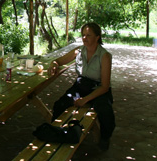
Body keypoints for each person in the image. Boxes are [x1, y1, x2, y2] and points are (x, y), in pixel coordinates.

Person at [48, 22, 115, 151]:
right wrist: (54, 64)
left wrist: (85, 100)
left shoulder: (104, 56)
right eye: (83, 35)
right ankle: (57, 133)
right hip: (81, 86)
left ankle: (105, 138)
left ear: (97, 37)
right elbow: (58, 60)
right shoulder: (78, 50)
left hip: (98, 89)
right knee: (59, 105)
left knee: (106, 113)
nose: (84, 38)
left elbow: (105, 87)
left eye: (88, 35)